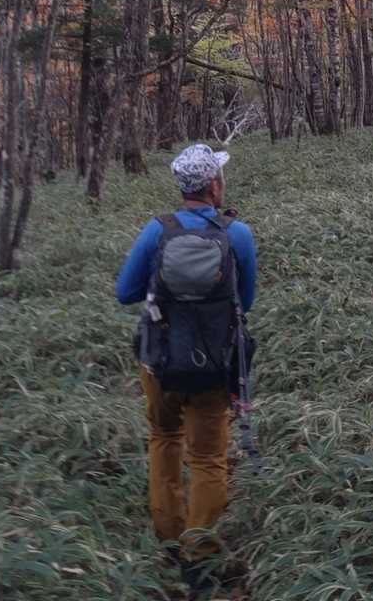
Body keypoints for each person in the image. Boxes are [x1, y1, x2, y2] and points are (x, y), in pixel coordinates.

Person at [115, 143, 257, 595]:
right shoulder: (237, 235)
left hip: (159, 361)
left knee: (164, 439)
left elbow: (125, 292)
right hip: (214, 365)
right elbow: (246, 301)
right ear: (214, 185)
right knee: (209, 457)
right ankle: (200, 558)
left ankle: (170, 541)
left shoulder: (157, 231)